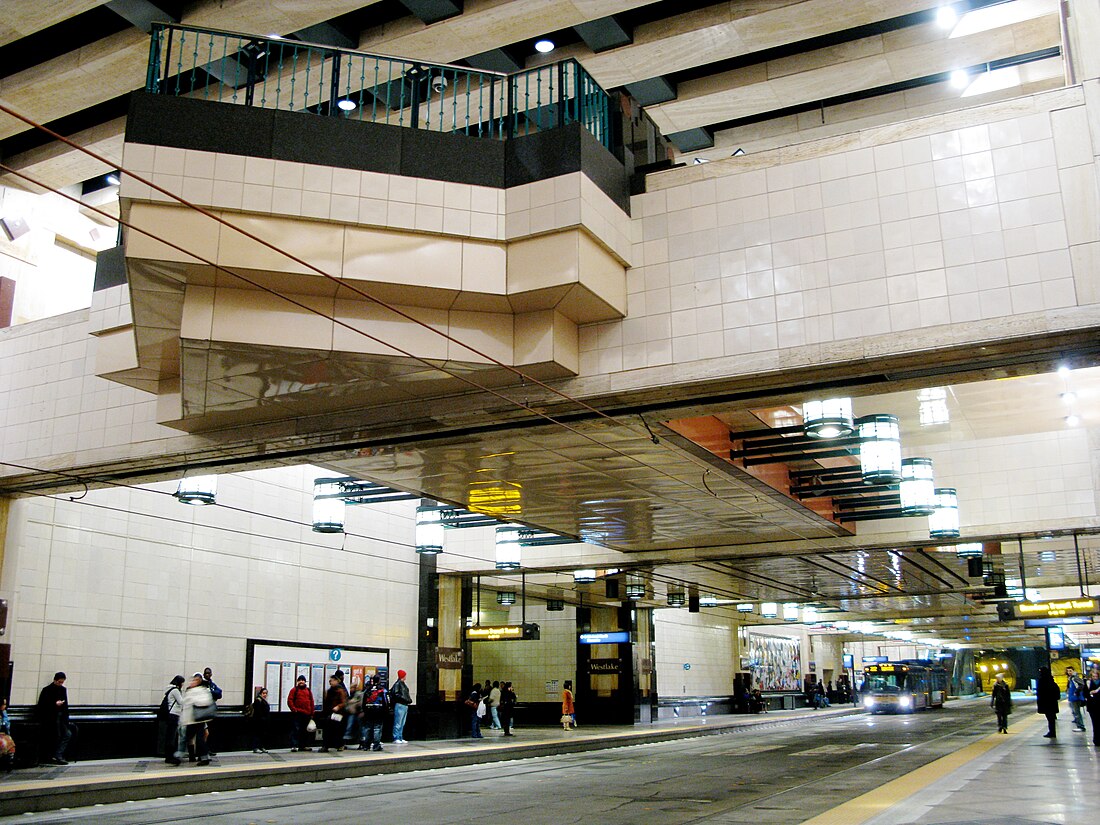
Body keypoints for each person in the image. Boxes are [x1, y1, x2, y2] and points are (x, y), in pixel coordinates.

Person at [37, 671, 73, 765]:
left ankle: (58, 754)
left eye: (62, 682)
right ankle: (54, 756)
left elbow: (65, 705)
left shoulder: (63, 690)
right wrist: (55, 704)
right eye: (59, 682)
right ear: (55, 680)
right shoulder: (47, 690)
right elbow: (42, 705)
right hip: (51, 718)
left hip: (61, 717)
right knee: (56, 736)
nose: (61, 684)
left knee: (67, 734)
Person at [177, 673, 213, 766]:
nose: (193, 682)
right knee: (186, 737)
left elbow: (205, 702)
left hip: (198, 719)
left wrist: (195, 701)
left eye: (195, 680)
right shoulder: (190, 691)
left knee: (199, 739)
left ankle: (204, 757)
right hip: (190, 720)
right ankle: (180, 755)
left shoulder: (202, 690)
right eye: (193, 680)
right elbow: (185, 706)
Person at [159, 675, 185, 764]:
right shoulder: (175, 691)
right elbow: (181, 702)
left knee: (170, 736)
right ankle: (170, 756)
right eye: (182, 683)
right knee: (172, 736)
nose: (182, 685)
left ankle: (169, 756)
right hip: (174, 715)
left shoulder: (170, 690)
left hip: (171, 715)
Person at [359, 675, 388, 751]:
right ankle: (376, 745)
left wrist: (364, 710)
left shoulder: (368, 690)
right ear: (379, 681)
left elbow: (363, 701)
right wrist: (385, 711)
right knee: (377, 728)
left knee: (368, 728)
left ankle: (366, 745)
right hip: (378, 711)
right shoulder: (382, 690)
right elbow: (386, 701)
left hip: (368, 711)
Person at [320, 674, 348, 752]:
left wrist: (338, 707)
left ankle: (339, 745)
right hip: (330, 713)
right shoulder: (329, 691)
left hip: (338, 714)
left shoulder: (340, 691)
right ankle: (326, 746)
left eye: (331, 681)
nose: (330, 682)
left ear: (336, 681)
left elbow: (344, 702)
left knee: (337, 731)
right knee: (328, 730)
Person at [287, 675, 315, 752]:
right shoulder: (294, 690)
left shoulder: (308, 691)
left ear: (305, 682)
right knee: (296, 730)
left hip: (307, 714)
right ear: (297, 681)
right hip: (298, 713)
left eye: (303, 680)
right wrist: (294, 710)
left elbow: (311, 701)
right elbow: (290, 700)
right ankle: (294, 746)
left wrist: (312, 712)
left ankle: (303, 746)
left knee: (305, 731)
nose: (301, 681)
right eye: (300, 680)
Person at [201, 667, 223, 756]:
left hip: (211, 710)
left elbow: (219, 693)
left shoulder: (212, 684)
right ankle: (203, 750)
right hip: (203, 711)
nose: (207, 675)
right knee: (204, 732)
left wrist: (211, 692)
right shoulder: (202, 684)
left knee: (210, 731)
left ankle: (208, 749)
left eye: (209, 673)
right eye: (206, 673)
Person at [1036, 666, 1060, 739]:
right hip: (1052, 703)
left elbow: (1040, 693)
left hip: (1046, 703)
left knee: (1049, 718)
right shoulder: (1051, 680)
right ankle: (1052, 731)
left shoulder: (1042, 681)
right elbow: (1057, 691)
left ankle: (1052, 732)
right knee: (1052, 718)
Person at [389, 669, 412, 744]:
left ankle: (400, 736)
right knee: (398, 722)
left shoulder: (402, 684)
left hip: (404, 705)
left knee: (402, 722)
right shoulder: (398, 684)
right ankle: (396, 737)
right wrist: (405, 699)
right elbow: (396, 694)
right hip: (400, 704)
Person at [1066, 666, 1087, 732]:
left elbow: (1082, 685)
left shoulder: (1075, 678)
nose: (1069, 672)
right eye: (1068, 671)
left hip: (1075, 697)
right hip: (1072, 697)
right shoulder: (1070, 678)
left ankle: (1081, 726)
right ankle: (1079, 725)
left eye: (1070, 671)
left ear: (1073, 671)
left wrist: (1076, 692)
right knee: (1075, 712)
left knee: (1077, 712)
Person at [250, 686, 271, 753]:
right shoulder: (258, 700)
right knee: (257, 734)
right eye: (263, 693)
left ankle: (261, 747)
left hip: (263, 721)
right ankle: (255, 747)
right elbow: (258, 711)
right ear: (260, 693)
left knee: (262, 735)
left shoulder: (264, 701)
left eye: (266, 693)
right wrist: (262, 718)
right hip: (258, 721)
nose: (265, 695)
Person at [1085, 666, 1100, 746]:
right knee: (1095, 723)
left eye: (1096, 676)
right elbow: (1085, 693)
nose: (1095, 678)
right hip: (1092, 706)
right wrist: (1090, 693)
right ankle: (1096, 739)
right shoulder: (1087, 683)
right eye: (1093, 676)